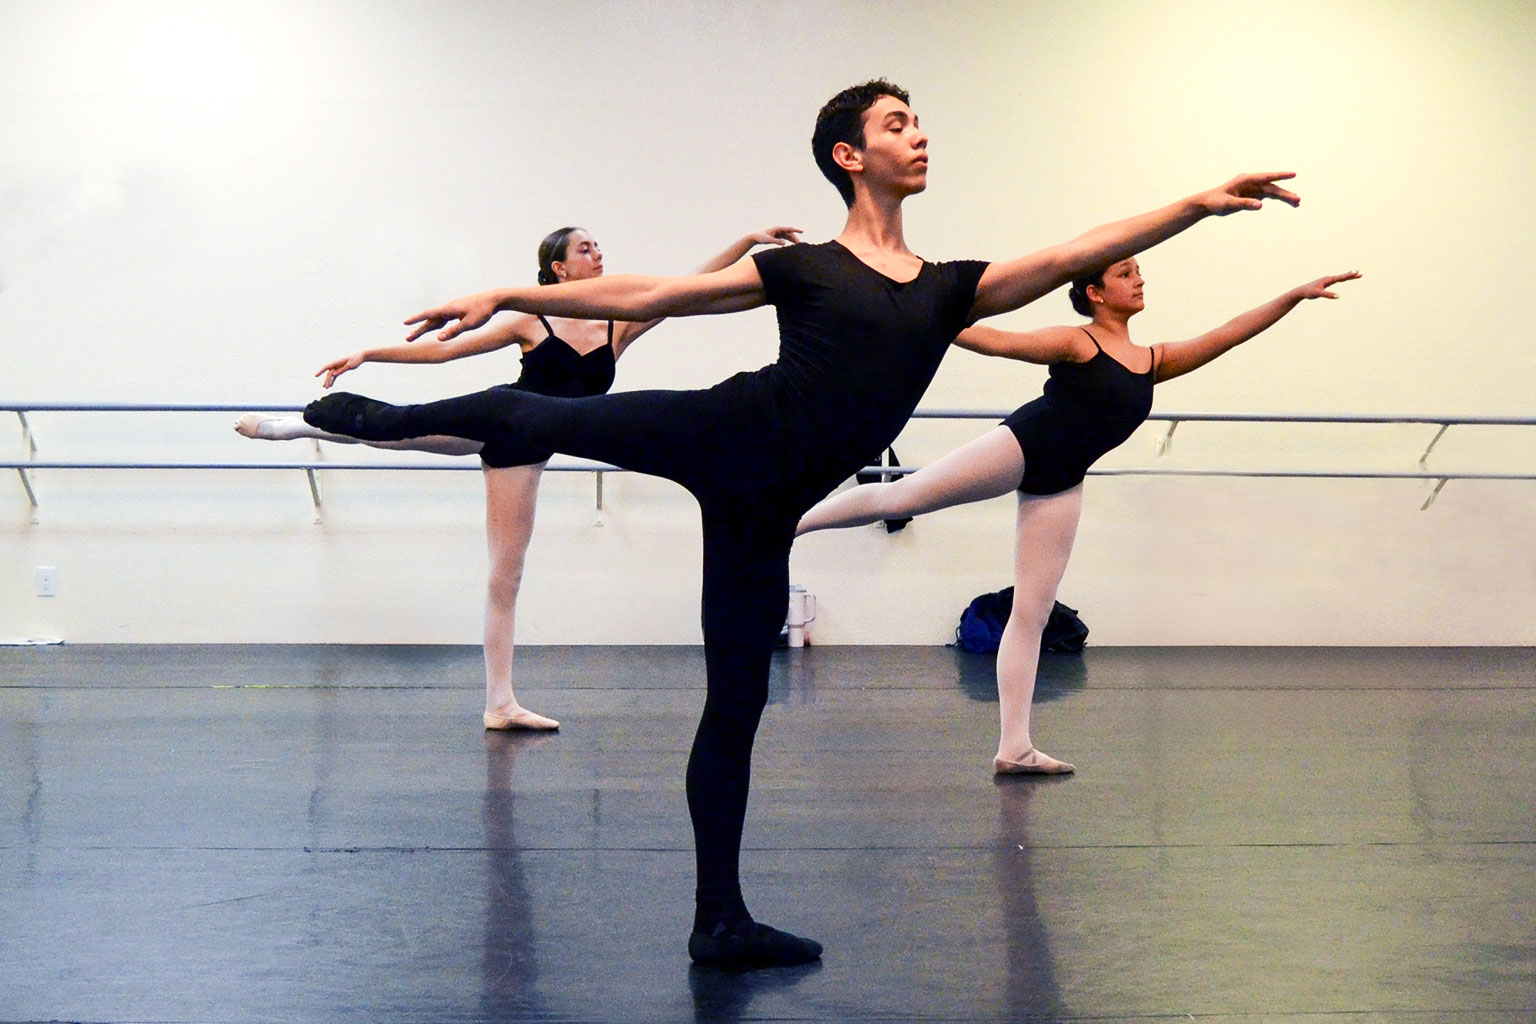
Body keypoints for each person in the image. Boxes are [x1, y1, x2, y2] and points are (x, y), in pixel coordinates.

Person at [303, 79, 1301, 968]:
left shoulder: (953, 286)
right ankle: (373, 420)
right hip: (728, 431)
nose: (919, 137)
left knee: (736, 704)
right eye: (896, 124)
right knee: (543, 414)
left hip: (768, 505)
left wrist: (1194, 208)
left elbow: (1074, 252)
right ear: (848, 155)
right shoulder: (808, 268)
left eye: (920, 123)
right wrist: (513, 291)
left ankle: (720, 921)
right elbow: (659, 293)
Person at [798, 260, 1360, 775]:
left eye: (1139, 271)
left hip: (1062, 479)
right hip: (1022, 444)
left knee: (1032, 612)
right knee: (902, 497)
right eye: (1125, 272)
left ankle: (1014, 747)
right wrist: (920, 314)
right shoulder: (1078, 342)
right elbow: (995, 341)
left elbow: (1228, 333)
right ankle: (790, 521)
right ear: (1095, 293)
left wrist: (1292, 295)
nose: (1139, 279)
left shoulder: (1152, 361)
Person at [237, 225, 800, 732]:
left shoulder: (618, 324)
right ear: (560, 270)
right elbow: (443, 352)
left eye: (598, 245)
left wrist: (745, 242)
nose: (598, 252)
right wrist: (368, 352)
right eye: (586, 247)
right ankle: (294, 426)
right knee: (398, 429)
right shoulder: (532, 319)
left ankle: (500, 705)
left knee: (505, 577)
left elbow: (688, 286)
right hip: (497, 417)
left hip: (524, 453)